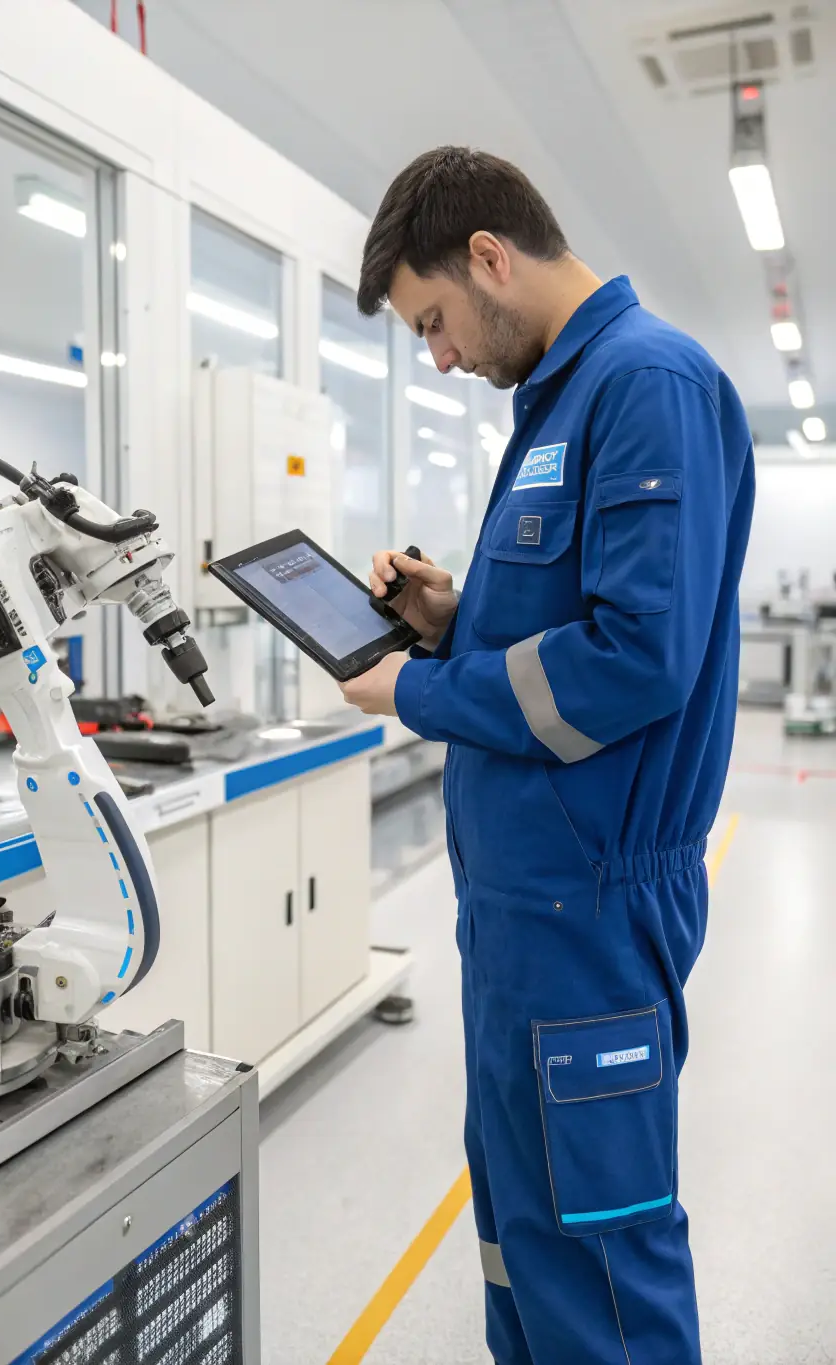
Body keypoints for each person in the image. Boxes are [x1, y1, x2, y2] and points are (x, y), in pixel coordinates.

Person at [340, 146, 754, 1364]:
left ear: (488, 258)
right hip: (524, 908)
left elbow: (635, 660)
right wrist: (451, 618)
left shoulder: (645, 383)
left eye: (433, 322)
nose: (439, 357)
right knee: (523, 1237)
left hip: (591, 910)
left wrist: (419, 690)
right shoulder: (560, 403)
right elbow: (565, 619)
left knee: (601, 1264)